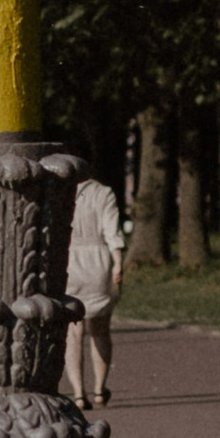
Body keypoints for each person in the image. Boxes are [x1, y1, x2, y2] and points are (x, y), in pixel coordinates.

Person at [64, 167, 127, 414]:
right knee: (100, 329)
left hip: (70, 262)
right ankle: (100, 389)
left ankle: (79, 394)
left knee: (73, 333)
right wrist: (118, 262)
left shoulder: (64, 192)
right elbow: (112, 230)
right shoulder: (104, 193)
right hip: (98, 262)